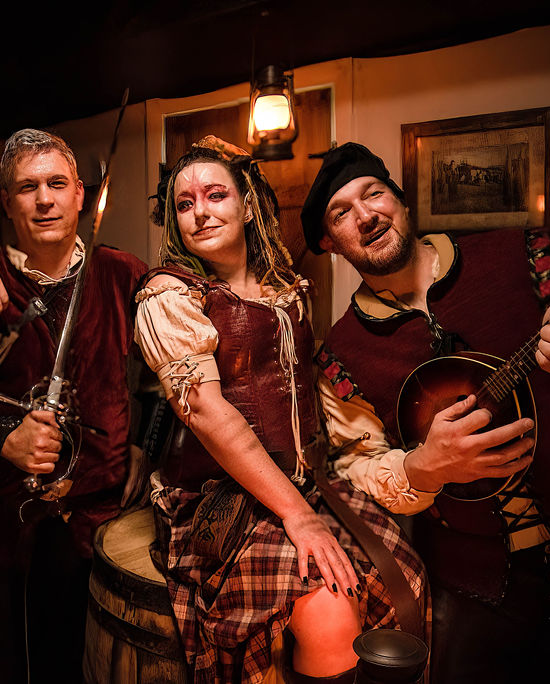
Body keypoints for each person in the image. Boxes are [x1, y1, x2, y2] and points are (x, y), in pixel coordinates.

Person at [301, 142, 550, 683]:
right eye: (341, 213)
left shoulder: (525, 255)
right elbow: (355, 466)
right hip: (475, 590)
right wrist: (421, 468)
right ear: (329, 242)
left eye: (375, 194)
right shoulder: (341, 354)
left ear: (401, 201)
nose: (366, 215)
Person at [134, 136, 427, 684]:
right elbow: (206, 412)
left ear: (247, 205)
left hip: (307, 478)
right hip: (218, 498)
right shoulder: (170, 295)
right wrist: (298, 516)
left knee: (400, 576)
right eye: (185, 203)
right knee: (330, 609)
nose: (200, 212)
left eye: (216, 194)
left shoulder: (286, 288)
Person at [0, 128, 149, 683]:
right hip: (5, 531)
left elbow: (160, 380)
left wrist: (142, 445)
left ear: (80, 195)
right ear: (7, 202)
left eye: (57, 184)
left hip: (105, 525)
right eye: (27, 187)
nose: (45, 199)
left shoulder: (125, 274)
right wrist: (3, 438)